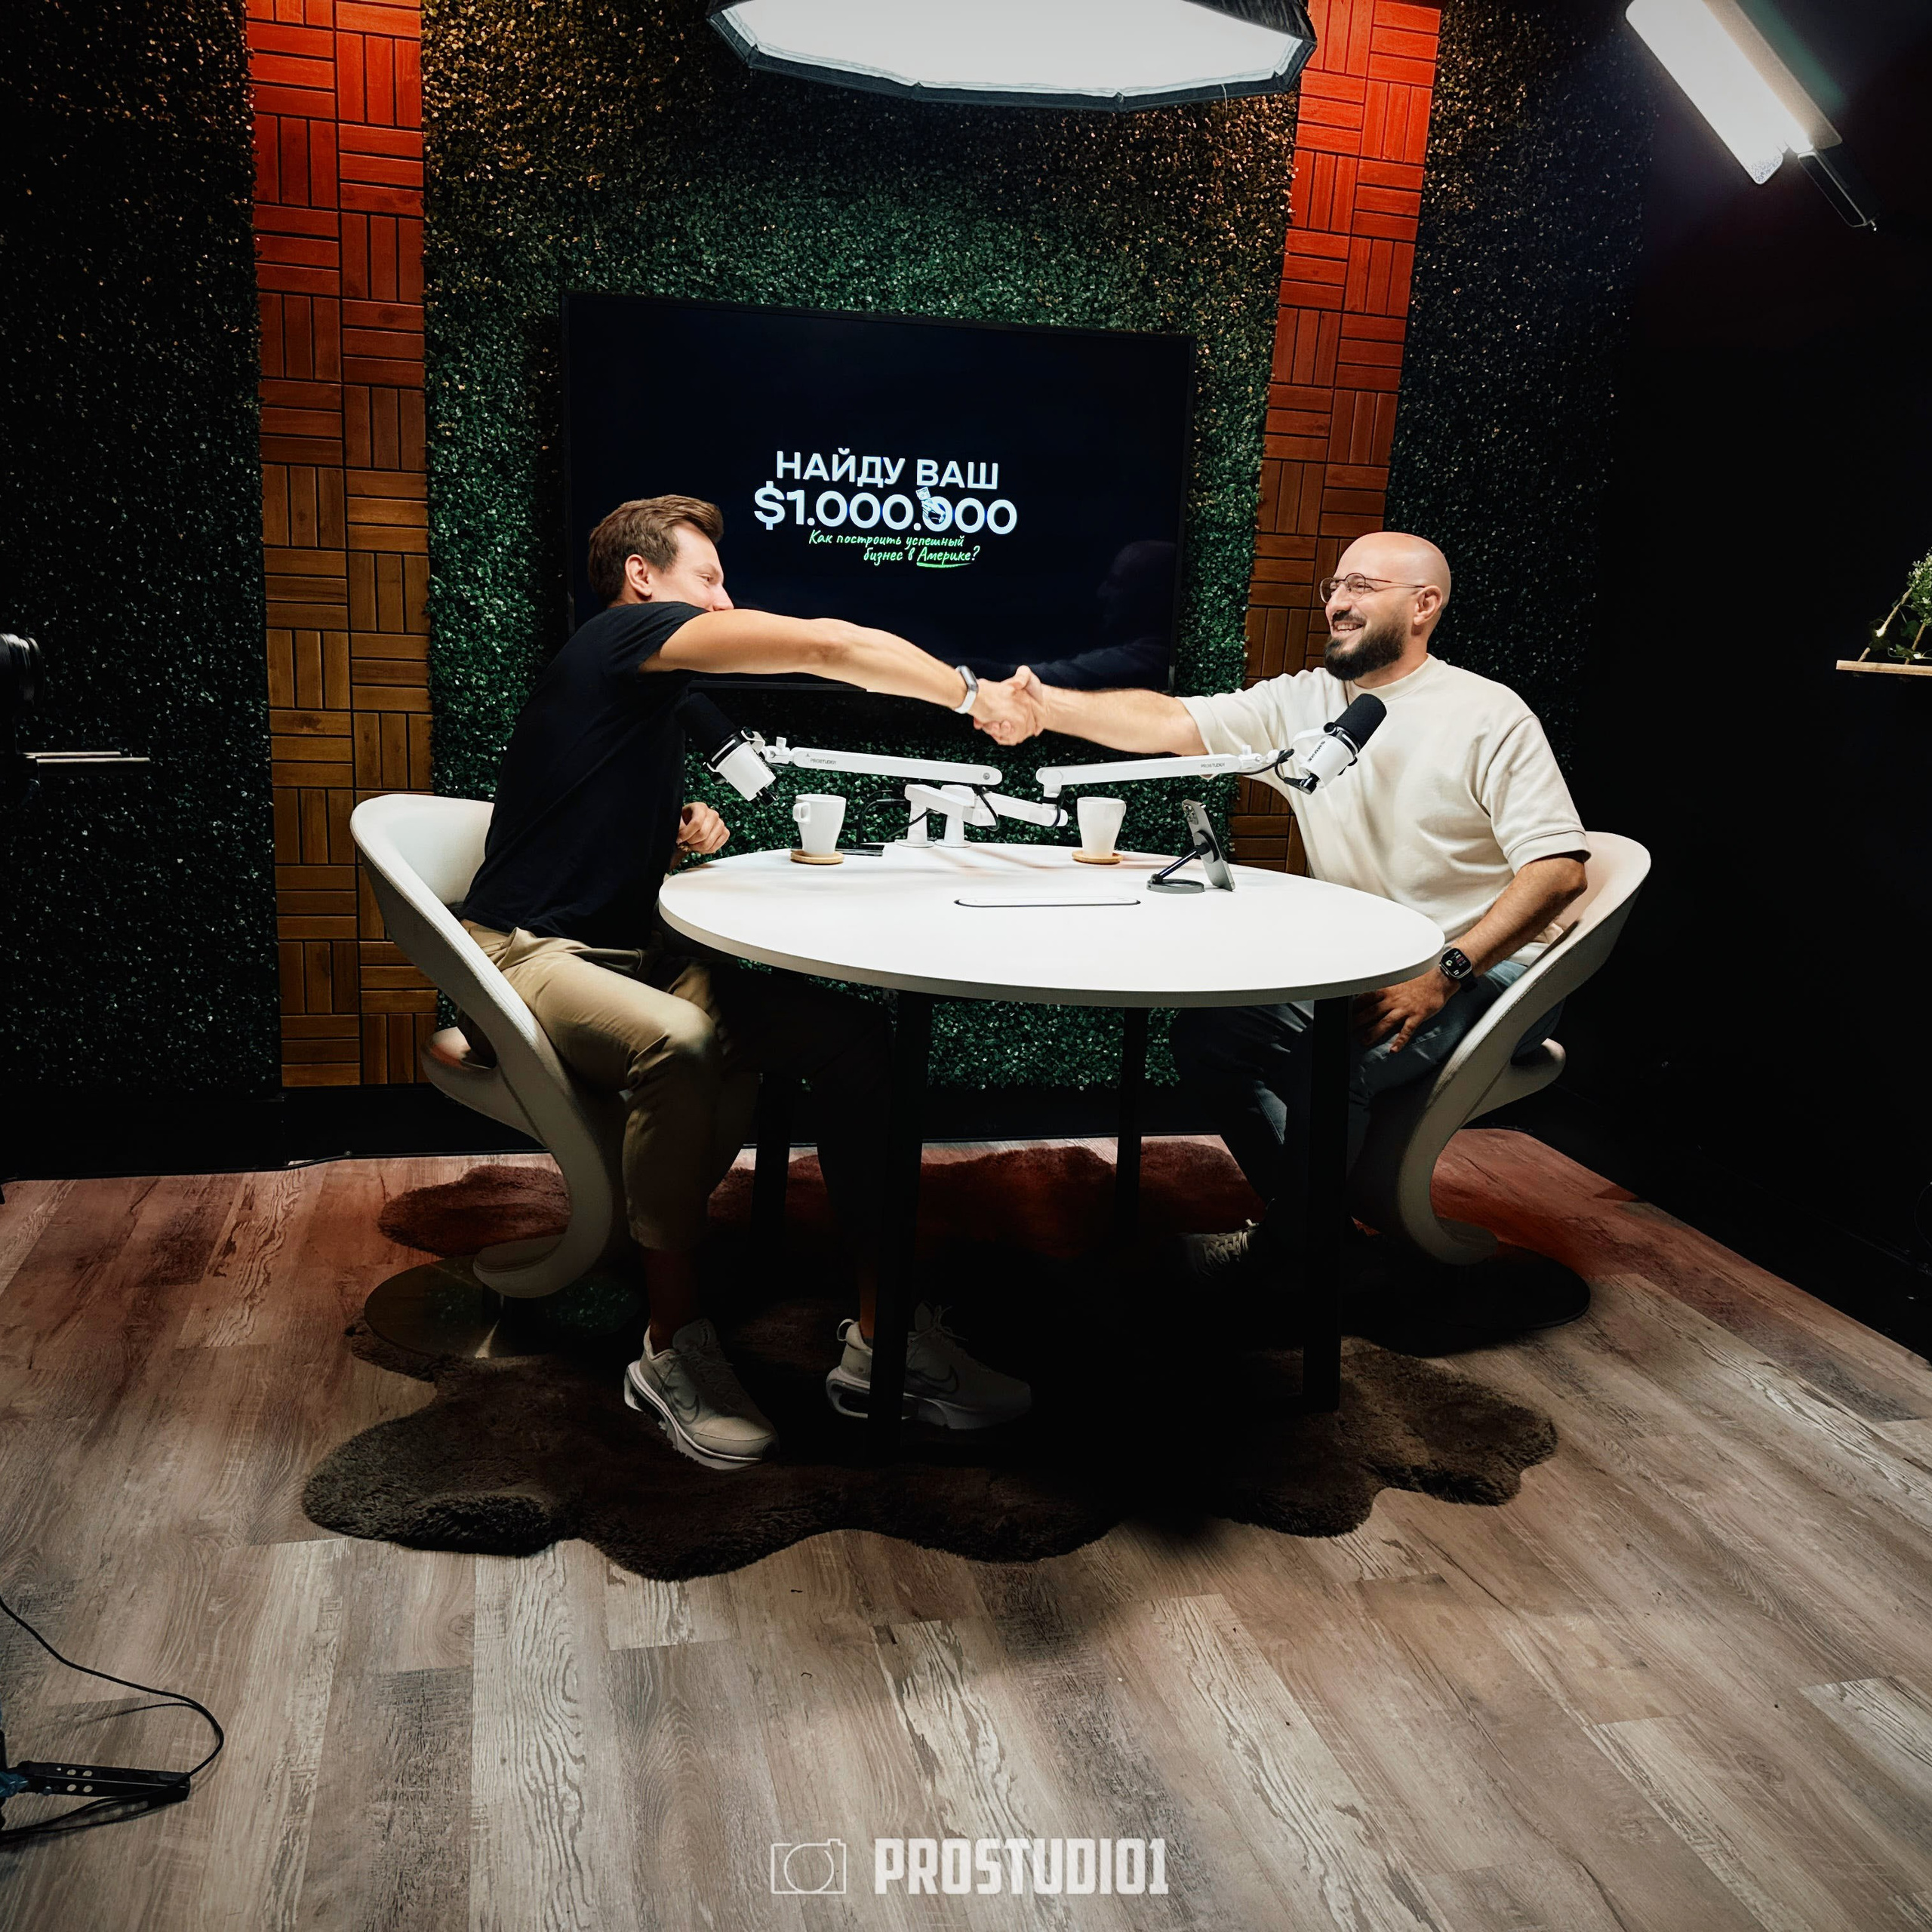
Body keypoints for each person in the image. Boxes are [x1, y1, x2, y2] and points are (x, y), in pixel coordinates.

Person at [460, 495, 1032, 1470]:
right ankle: (667, 1346)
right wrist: (969, 694)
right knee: (678, 1044)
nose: (727, 603)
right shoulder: (630, 633)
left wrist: (676, 812)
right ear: (643, 580)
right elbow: (829, 646)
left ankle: (880, 1339)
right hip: (526, 956)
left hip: (635, 951)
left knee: (854, 1042)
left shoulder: (638, 686)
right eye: (709, 580)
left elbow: (580, 784)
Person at [973, 529, 1589, 1288]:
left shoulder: (1488, 714)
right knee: (1211, 1037)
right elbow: (1171, 722)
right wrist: (1044, 709)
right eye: (1334, 586)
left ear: (1423, 605)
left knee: (1328, 1059)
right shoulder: (1306, 704)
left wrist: (1445, 971)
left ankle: (1292, 1263)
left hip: (1491, 967)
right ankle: (1318, 1235)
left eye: (1361, 587)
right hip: (1377, 964)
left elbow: (1559, 872)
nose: (1337, 601)